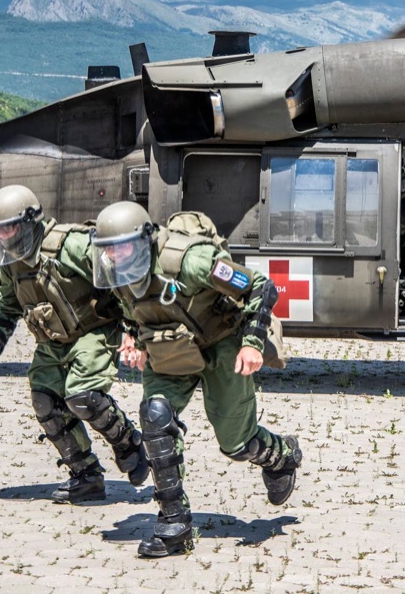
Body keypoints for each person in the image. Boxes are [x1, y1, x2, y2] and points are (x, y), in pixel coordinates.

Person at [90, 202, 302, 558]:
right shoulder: (114, 266)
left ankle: (282, 456)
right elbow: (128, 308)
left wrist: (251, 344)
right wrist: (132, 337)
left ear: (144, 240)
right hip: (171, 346)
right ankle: (174, 524)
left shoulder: (190, 260)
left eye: (122, 246)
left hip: (222, 342)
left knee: (236, 444)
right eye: (108, 249)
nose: (114, 255)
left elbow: (260, 288)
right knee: (155, 418)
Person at [0, 185, 148, 504]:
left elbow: (122, 282)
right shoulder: (11, 260)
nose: (3, 237)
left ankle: (127, 442)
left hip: (93, 331)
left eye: (9, 228)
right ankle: (86, 476)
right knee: (45, 400)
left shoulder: (71, 246)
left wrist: (135, 333)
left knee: (82, 396)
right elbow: (7, 305)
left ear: (29, 223)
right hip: (53, 340)